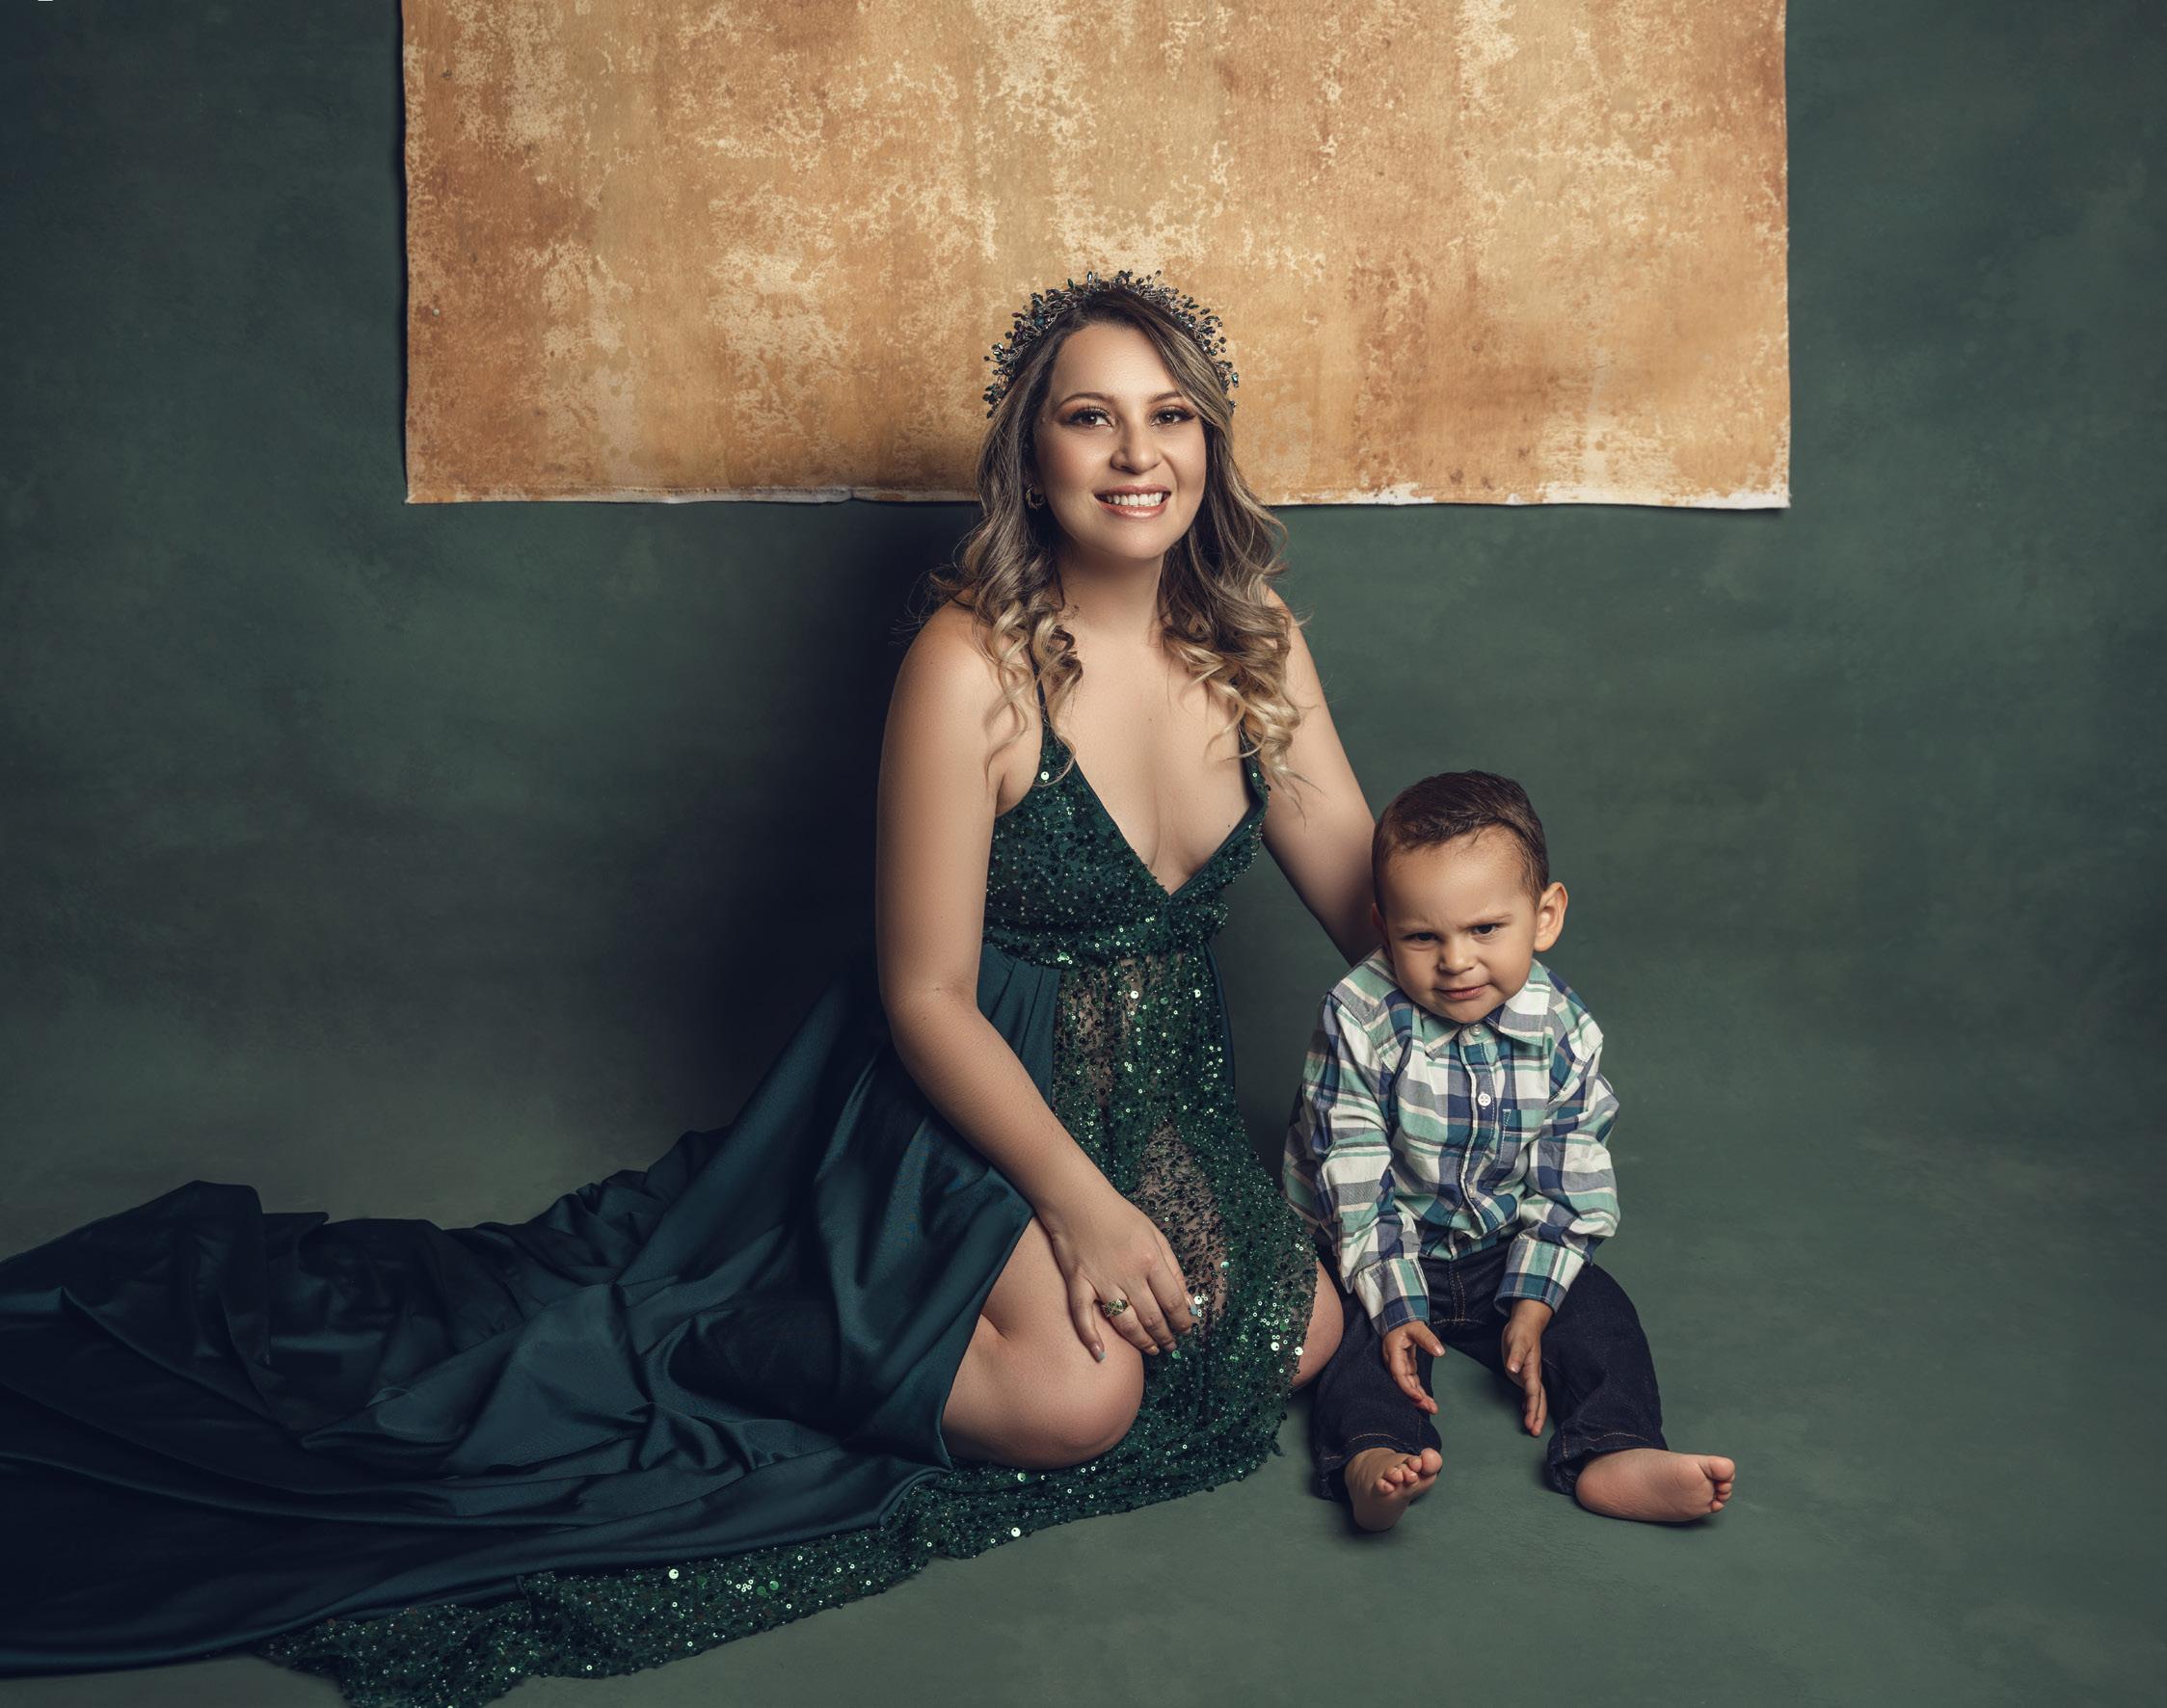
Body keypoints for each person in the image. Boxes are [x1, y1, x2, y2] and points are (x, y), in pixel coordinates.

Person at [0, 269, 1378, 1707]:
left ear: (1208, 443)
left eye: (1169, 416)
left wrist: (1498, 989)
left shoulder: (1256, 643)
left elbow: (1365, 896)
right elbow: (923, 996)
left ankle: (928, 1292)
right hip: (969, 1106)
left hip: (1158, 1093)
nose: (1136, 453)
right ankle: (740, 1312)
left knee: (1296, 1337)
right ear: (1031, 456)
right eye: (1091, 417)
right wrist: (1080, 1207)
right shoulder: (968, 664)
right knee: (1077, 1400)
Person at [1283, 770, 1737, 1531]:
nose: (1455, 961)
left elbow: (1569, 1172)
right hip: (1379, 1245)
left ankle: (1613, 1449)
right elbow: (1350, 1173)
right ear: (1384, 927)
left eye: (1485, 929)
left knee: (1599, 1315)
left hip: (1497, 1246)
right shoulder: (1357, 1016)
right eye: (1422, 937)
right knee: (1361, 1343)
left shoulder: (1562, 1026)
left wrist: (1533, 1298)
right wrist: (1396, 1304)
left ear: (1544, 916)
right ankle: (1372, 1457)